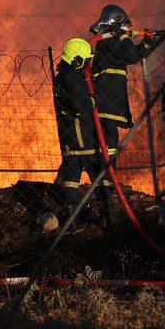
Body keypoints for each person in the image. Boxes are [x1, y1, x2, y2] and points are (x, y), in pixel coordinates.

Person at [87, 4, 163, 175]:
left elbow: (134, 56)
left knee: (108, 143)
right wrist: (123, 36)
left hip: (109, 105)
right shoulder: (107, 43)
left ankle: (105, 180)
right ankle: (105, 180)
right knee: (108, 144)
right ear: (116, 26)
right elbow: (129, 55)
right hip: (105, 106)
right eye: (124, 26)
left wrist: (146, 42)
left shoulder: (113, 44)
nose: (128, 29)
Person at [52, 37, 112, 217]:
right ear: (77, 60)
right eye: (86, 60)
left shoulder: (61, 77)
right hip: (83, 138)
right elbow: (80, 105)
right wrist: (94, 100)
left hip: (69, 138)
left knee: (70, 179)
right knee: (100, 178)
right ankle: (107, 216)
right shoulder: (73, 78)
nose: (88, 64)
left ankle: (73, 218)